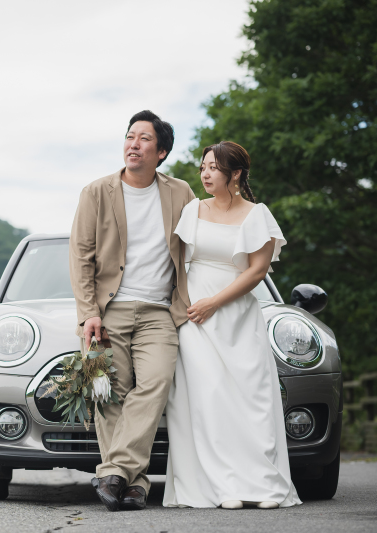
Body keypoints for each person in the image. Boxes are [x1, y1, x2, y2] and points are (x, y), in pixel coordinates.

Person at [163, 141, 301, 509]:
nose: (205, 174)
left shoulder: (257, 215)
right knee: (208, 400)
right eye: (203, 167)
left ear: (235, 173)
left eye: (214, 167)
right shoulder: (192, 210)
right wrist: (191, 304)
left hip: (237, 317)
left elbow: (256, 271)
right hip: (194, 318)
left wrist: (215, 302)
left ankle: (263, 486)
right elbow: (174, 261)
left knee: (251, 400)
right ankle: (223, 487)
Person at [69, 110, 196, 512]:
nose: (134, 144)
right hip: (105, 314)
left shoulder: (181, 193)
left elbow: (198, 248)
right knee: (106, 393)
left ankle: (113, 473)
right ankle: (134, 485)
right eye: (129, 136)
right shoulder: (95, 192)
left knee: (156, 383)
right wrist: (88, 313)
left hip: (160, 313)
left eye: (144, 139)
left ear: (162, 152)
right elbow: (80, 256)